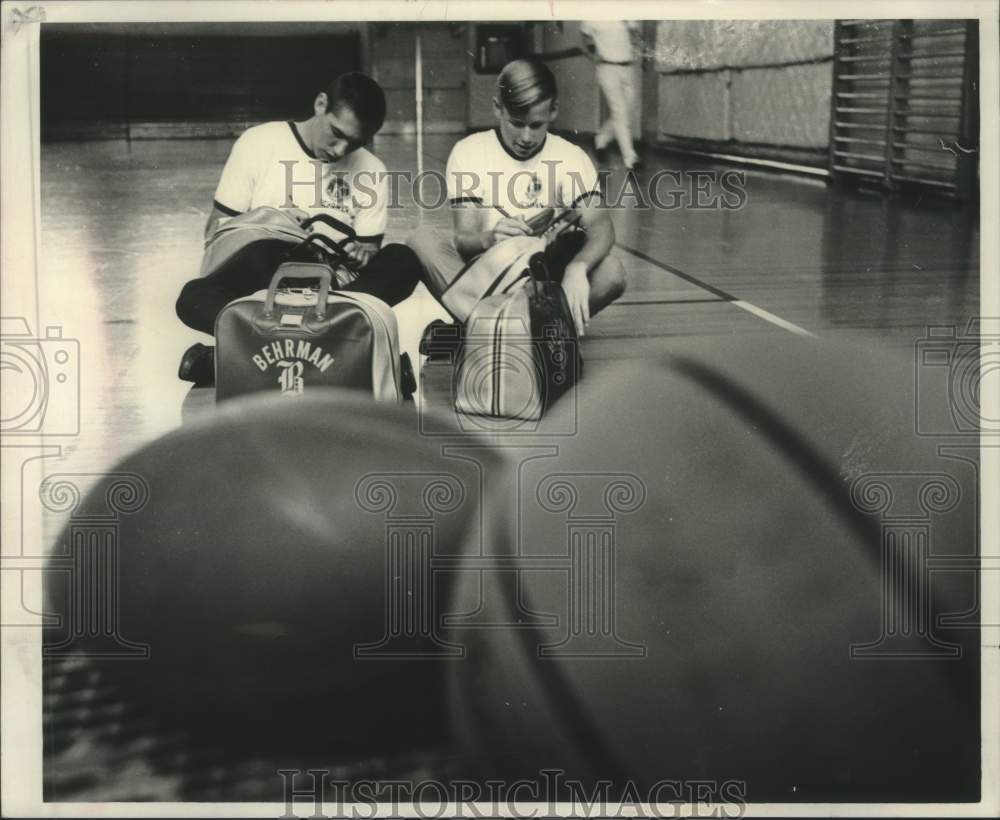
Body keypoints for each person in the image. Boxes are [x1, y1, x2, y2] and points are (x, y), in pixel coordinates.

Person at [176, 72, 423, 385]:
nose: (339, 150)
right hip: (267, 283)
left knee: (403, 259)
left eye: (354, 143)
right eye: (336, 133)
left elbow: (369, 249)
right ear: (321, 104)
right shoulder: (259, 142)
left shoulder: (372, 169)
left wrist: (366, 252)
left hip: (330, 289)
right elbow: (216, 231)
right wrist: (271, 222)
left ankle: (249, 355)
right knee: (194, 295)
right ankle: (341, 355)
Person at [408, 58, 626, 338]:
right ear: (498, 108)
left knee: (612, 272)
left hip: (540, 282)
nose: (526, 136)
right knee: (421, 240)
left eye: (536, 125)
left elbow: (601, 225)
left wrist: (576, 268)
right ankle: (527, 333)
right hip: (486, 278)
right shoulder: (469, 151)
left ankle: (487, 332)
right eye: (516, 123)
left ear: (554, 110)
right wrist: (490, 238)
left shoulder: (571, 155)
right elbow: (464, 240)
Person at [580, 21, 642, 172]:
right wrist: (592, 53)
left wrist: (636, 48)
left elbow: (635, 33)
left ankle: (601, 139)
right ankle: (630, 159)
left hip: (627, 67)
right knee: (619, 111)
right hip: (607, 68)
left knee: (629, 111)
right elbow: (584, 35)